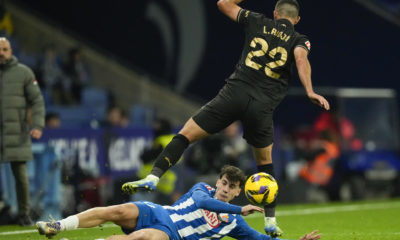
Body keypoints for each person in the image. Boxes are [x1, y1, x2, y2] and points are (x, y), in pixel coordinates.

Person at [122, 0, 329, 237]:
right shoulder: (300, 40)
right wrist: (310, 91)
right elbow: (302, 60)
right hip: (261, 106)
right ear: (297, 20)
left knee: (185, 135)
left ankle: (152, 177)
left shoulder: (257, 20)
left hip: (234, 94)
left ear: (275, 14)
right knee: (265, 166)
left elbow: (222, 3)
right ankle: (270, 221)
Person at [36, 165, 321, 240]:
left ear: (239, 192)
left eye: (232, 187)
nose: (224, 188)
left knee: (144, 238)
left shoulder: (235, 224)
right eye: (224, 182)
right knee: (117, 209)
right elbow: (204, 203)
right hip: (159, 212)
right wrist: (240, 208)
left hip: (173, 235)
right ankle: (57, 225)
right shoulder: (203, 189)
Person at [0, 37, 45, 225]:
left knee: (20, 176)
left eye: (4, 49)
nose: (1, 53)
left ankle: (24, 214)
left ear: (11, 51)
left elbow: (37, 101)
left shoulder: (24, 72)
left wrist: (38, 125)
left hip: (17, 131)